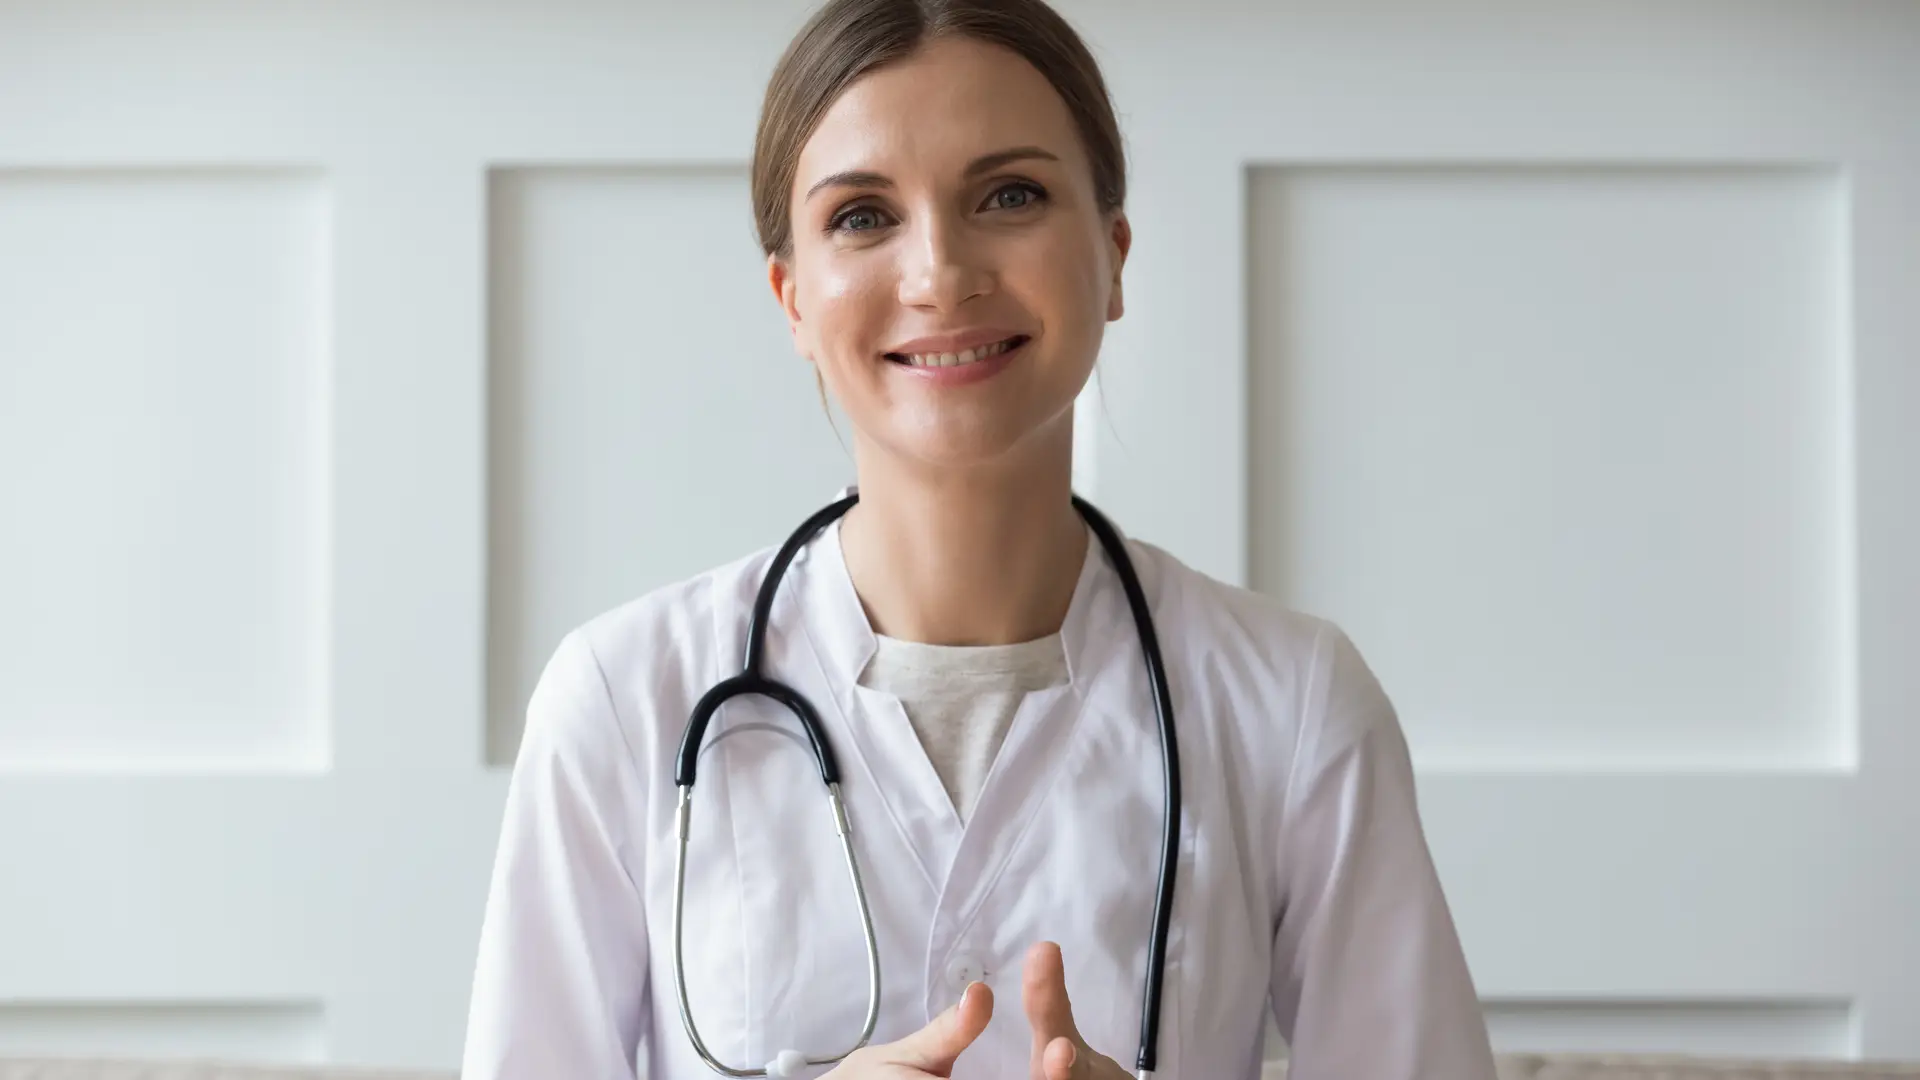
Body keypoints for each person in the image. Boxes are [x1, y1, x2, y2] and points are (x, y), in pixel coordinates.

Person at [459, 0, 1497, 1076]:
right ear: (792, 298)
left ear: (1114, 254)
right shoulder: (622, 701)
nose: (941, 273)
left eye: (1011, 195)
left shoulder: (1294, 705)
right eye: (862, 216)